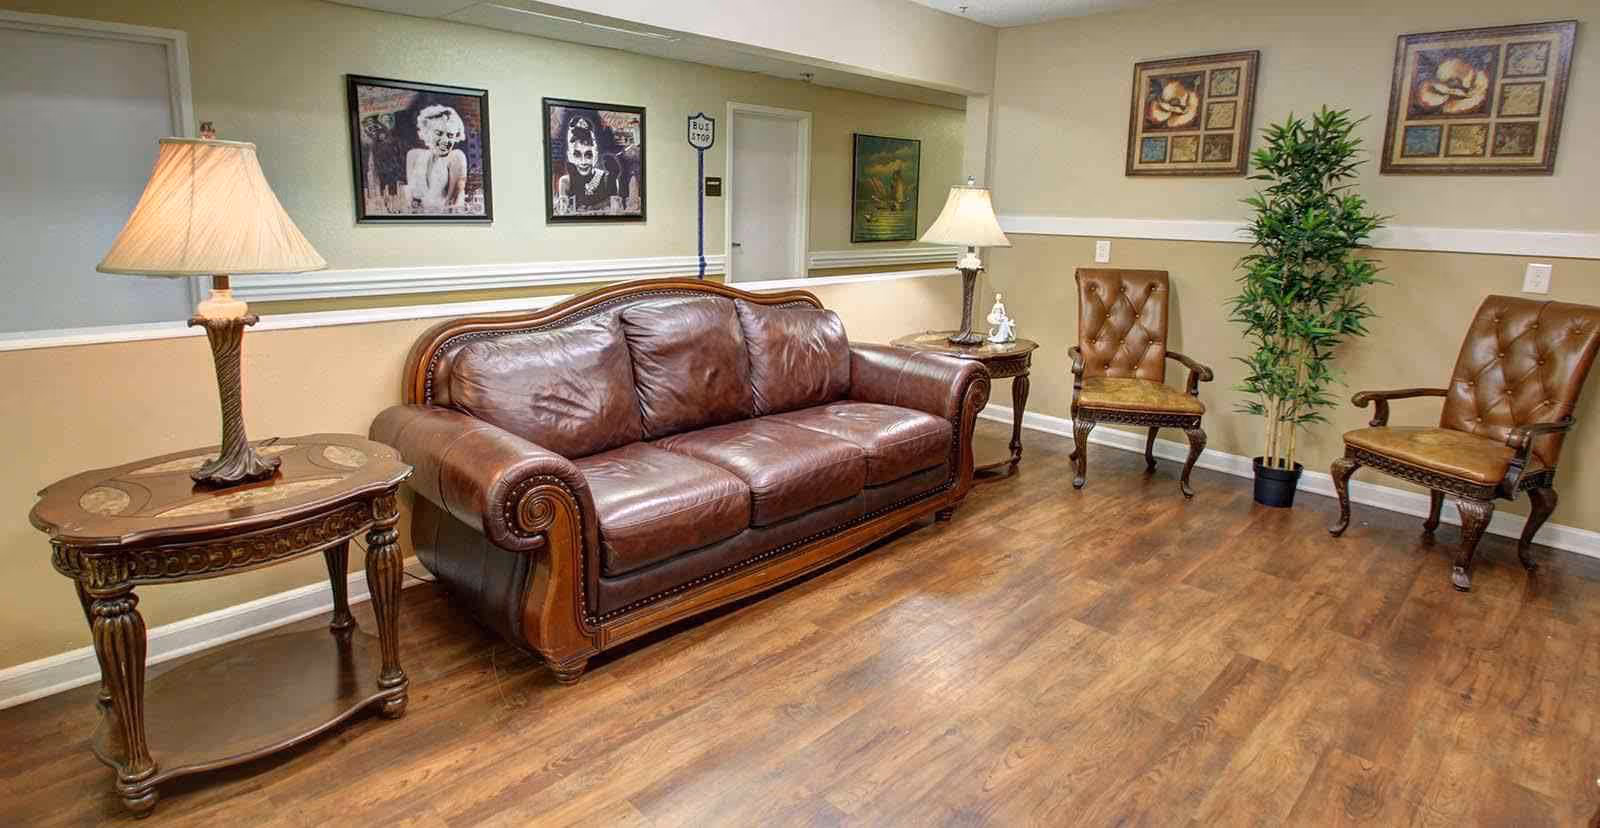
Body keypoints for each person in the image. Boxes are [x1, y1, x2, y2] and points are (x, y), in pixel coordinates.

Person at [555, 116, 624, 216]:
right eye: (577, 155)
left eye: (588, 155)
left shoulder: (607, 179)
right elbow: (563, 213)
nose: (583, 162)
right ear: (569, 156)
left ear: (595, 154)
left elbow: (616, 213)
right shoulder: (566, 182)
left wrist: (612, 182)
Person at [406, 104, 468, 211]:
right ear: (426, 131)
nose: (445, 141)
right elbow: (410, 198)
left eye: (450, 136)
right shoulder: (413, 155)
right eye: (439, 133)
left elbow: (456, 201)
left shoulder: (456, 157)